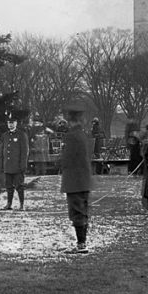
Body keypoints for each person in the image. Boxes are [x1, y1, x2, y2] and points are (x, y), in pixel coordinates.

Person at [60, 104, 93, 254]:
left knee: (76, 212)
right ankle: (82, 242)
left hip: (74, 180)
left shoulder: (71, 136)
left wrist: (60, 160)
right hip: (83, 180)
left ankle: (81, 244)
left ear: (71, 121)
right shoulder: (83, 135)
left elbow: (66, 159)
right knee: (82, 211)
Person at [0, 109, 29, 211]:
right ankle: (9, 204)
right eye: (9, 123)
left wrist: (23, 165)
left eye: (12, 123)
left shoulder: (21, 135)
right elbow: (2, 151)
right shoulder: (5, 135)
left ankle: (21, 204)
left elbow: (24, 152)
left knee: (19, 186)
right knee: (9, 186)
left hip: (17, 166)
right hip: (7, 165)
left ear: (16, 123)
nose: (10, 125)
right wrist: (1, 164)